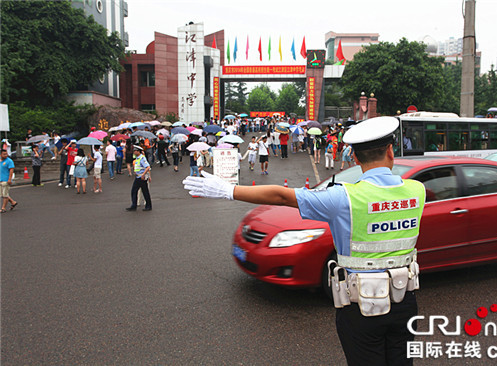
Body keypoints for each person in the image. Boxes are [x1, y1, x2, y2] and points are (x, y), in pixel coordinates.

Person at [182, 116, 426, 366]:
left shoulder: (343, 198)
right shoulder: (417, 190)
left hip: (361, 307)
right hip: (405, 301)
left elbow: (281, 195)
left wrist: (227, 190)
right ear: (391, 151)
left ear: (354, 157)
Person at [126, 146, 152, 211]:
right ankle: (134, 205)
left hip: (141, 177)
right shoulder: (137, 158)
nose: (134, 152)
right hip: (138, 177)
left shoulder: (142, 158)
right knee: (134, 191)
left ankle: (148, 206)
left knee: (144, 191)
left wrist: (143, 174)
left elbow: (147, 167)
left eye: (135, 151)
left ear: (138, 151)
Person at [0, 149, 16, 213]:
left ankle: (3, 208)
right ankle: (13, 202)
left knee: (5, 195)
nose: (5, 155)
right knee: (2, 194)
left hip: (6, 180)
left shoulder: (9, 161)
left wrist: (9, 179)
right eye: (4, 154)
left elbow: (11, 171)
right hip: (0, 179)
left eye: (6, 154)